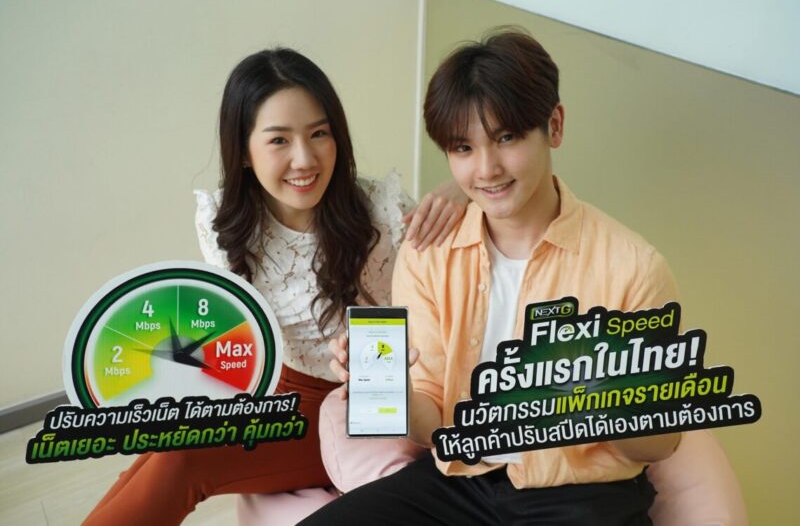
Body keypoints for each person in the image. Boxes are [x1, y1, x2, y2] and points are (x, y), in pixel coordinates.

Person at [304, 28, 682, 525]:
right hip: (461, 481)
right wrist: (387, 392)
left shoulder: (633, 266)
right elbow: (434, 420)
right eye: (463, 148)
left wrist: (592, 394)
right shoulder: (428, 255)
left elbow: (660, 443)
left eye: (506, 138)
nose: (486, 169)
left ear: (554, 126)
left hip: (581, 495)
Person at [84, 47, 467, 526]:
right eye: (279, 140)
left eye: (319, 133)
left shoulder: (382, 211)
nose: (304, 159)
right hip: (276, 388)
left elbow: (465, 270)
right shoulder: (224, 222)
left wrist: (463, 187)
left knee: (183, 458)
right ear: (244, 151)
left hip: (362, 400)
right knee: (168, 443)